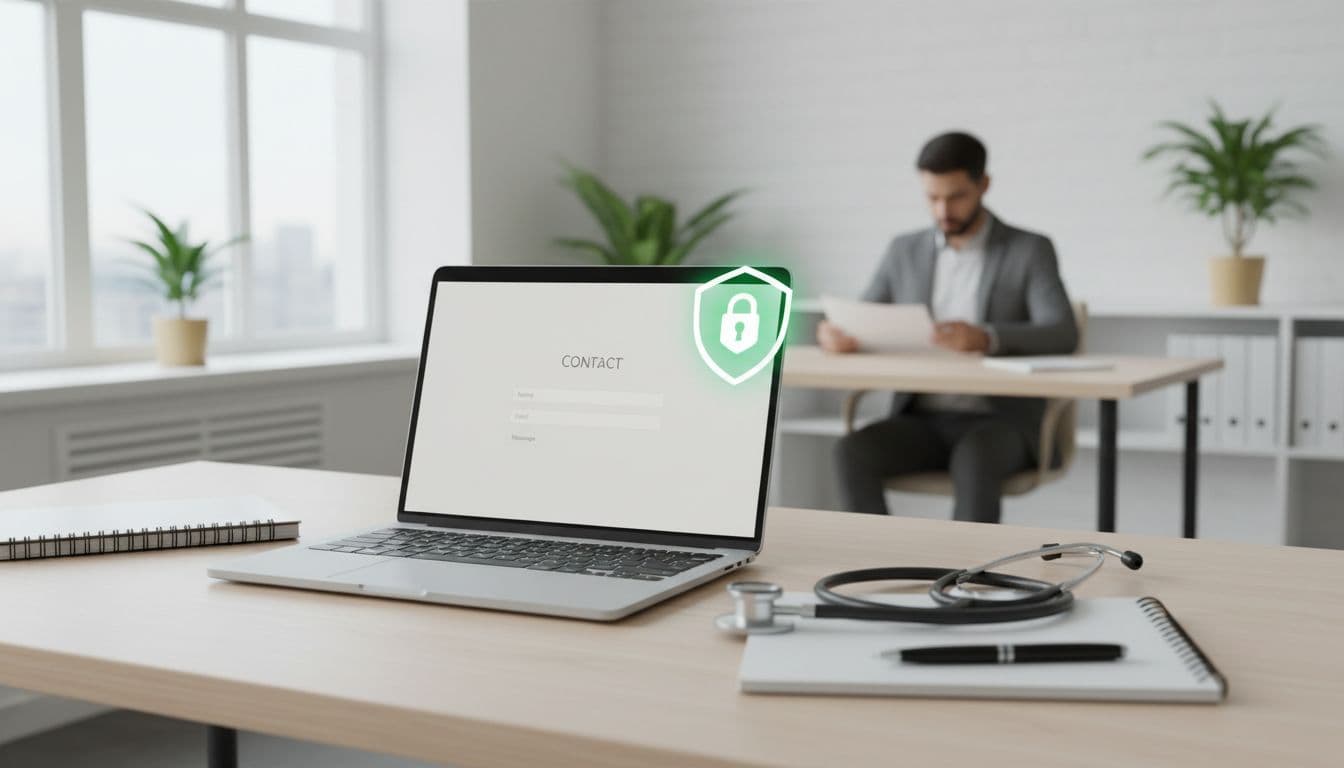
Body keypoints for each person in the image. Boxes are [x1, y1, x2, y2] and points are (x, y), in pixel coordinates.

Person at [820, 131, 1078, 523]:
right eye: (932, 197)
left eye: (956, 196)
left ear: (983, 185)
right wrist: (835, 334)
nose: (943, 210)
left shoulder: (1029, 250)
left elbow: (1062, 331)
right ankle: (873, 569)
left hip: (1002, 422)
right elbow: (863, 316)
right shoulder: (903, 251)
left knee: (975, 457)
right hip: (920, 419)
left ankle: (969, 582)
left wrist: (986, 337)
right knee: (850, 452)